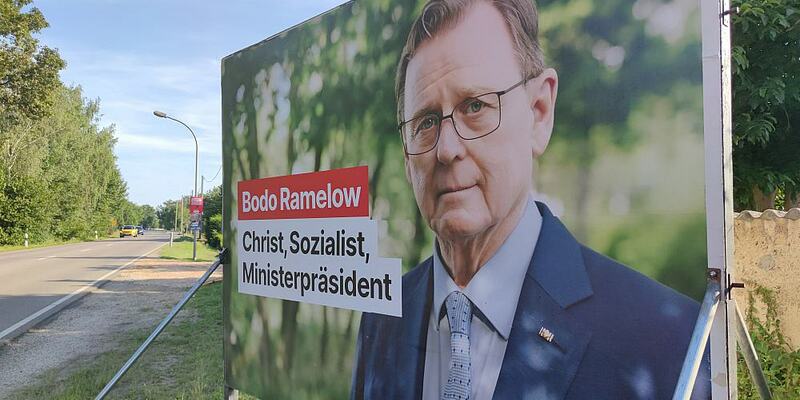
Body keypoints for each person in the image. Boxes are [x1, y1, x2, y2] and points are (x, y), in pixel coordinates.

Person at [351, 0, 710, 399]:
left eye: (475, 106)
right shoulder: (382, 317)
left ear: (539, 112)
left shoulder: (669, 344)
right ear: (406, 154)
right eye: (425, 122)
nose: (446, 149)